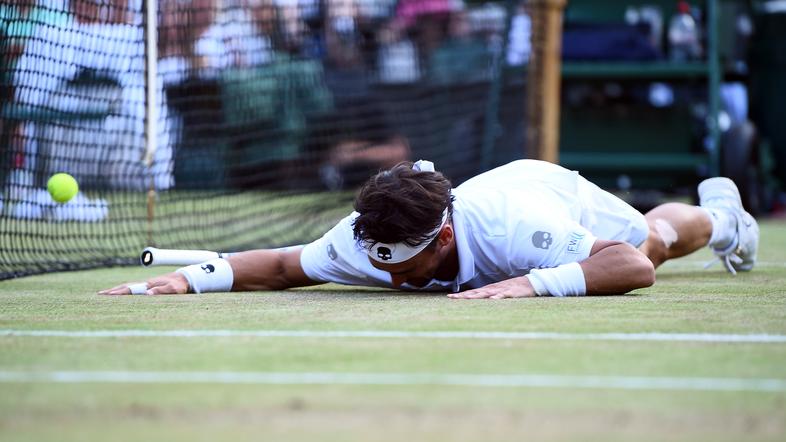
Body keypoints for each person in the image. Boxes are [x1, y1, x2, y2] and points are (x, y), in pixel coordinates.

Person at [100, 159, 759, 298]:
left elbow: (631, 268)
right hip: (509, 221)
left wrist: (533, 285)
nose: (389, 275)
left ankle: (726, 218)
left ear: (442, 238)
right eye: (380, 262)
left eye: (403, 264)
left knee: (657, 241)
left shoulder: (514, 226)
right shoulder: (362, 241)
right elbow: (277, 266)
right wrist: (185, 280)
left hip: (548, 194)